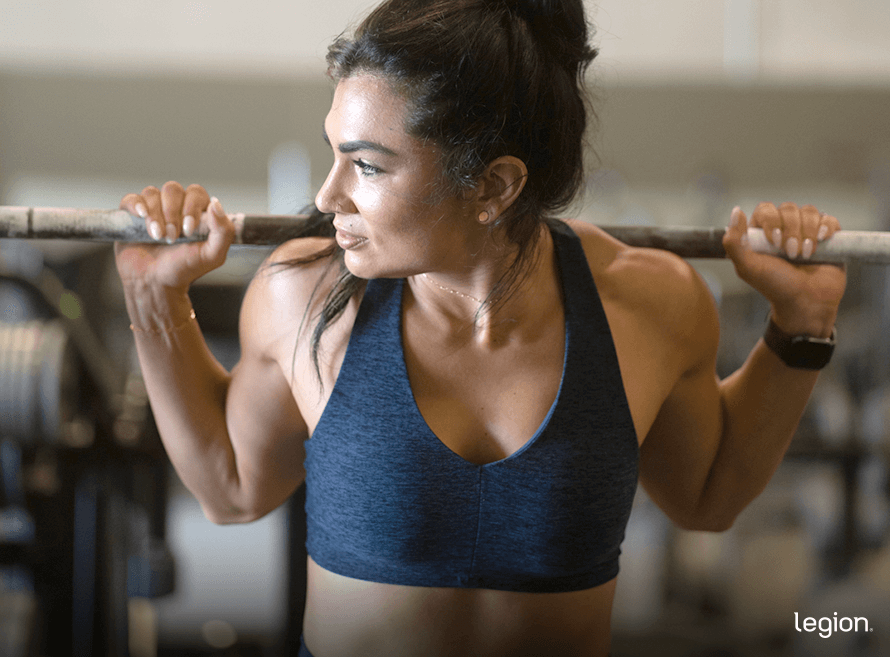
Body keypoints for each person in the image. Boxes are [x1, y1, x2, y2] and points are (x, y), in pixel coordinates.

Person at [114, 0, 847, 655]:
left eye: (365, 165)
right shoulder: (301, 292)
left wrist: (801, 324)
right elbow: (232, 488)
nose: (326, 193)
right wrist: (153, 301)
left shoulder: (650, 304)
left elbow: (708, 497)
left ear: (494, 186)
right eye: (335, 151)